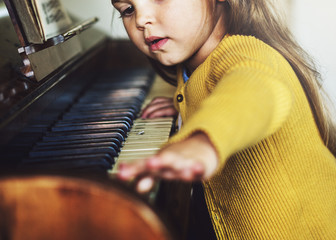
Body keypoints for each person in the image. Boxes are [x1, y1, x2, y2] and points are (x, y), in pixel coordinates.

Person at [110, 0, 336, 239]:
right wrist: (188, 107)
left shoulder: (247, 53)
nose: (141, 20)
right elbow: (213, 90)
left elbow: (254, 91)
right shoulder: (192, 63)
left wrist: (203, 141)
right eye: (128, 10)